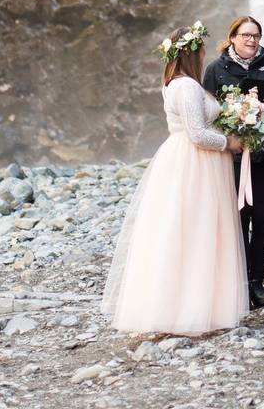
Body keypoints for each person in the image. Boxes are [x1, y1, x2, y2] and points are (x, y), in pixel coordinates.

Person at [102, 21, 249, 335]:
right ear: (193, 54)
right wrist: (229, 142)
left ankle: (190, 303)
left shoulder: (174, 83)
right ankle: (191, 308)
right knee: (197, 230)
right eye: (203, 50)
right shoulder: (188, 87)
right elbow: (197, 134)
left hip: (186, 160)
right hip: (195, 163)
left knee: (185, 229)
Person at [203, 16, 264, 309]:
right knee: (238, 218)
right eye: (245, 35)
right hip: (233, 156)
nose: (252, 40)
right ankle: (238, 283)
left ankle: (257, 282)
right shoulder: (217, 69)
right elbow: (206, 111)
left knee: (263, 218)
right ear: (232, 37)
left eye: (256, 35)